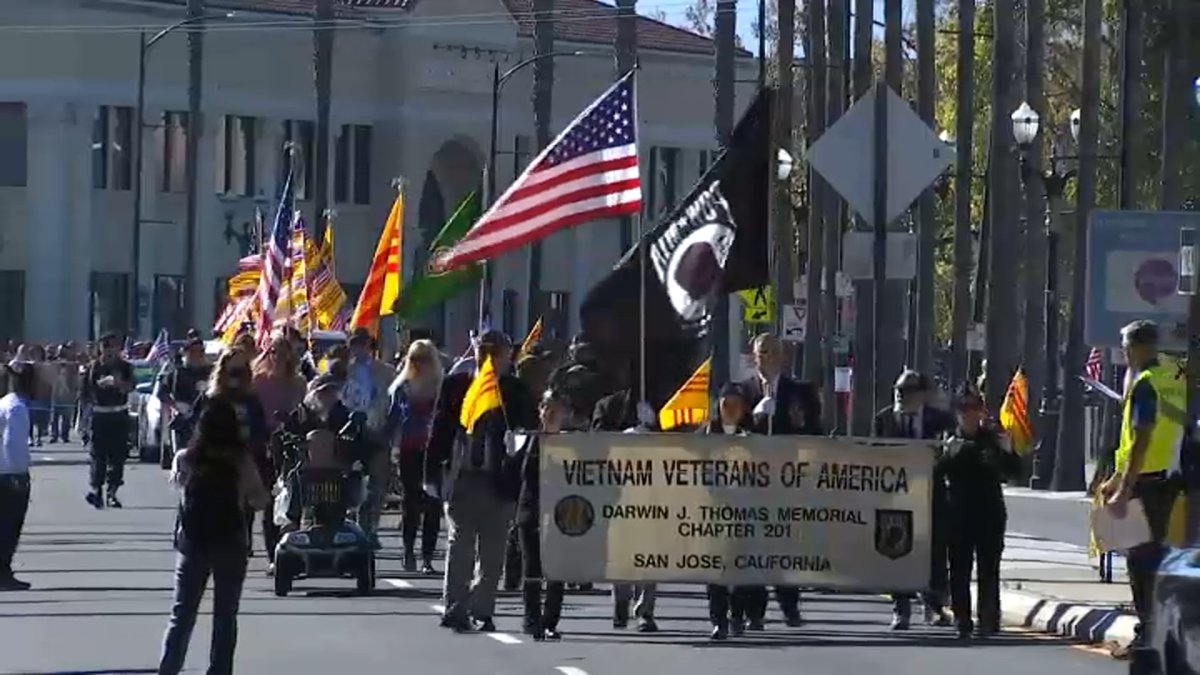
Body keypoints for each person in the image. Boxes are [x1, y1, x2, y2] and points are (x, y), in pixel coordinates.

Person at [425, 329, 536, 632]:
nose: (488, 357)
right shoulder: (457, 385)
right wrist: (431, 474)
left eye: (494, 351)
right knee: (459, 544)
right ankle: (455, 608)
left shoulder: (516, 391)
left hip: (500, 481)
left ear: (506, 355)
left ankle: (482, 608)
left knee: (493, 550)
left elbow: (530, 433)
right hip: (462, 477)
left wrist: (519, 446)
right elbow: (440, 430)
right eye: (483, 350)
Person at [157, 395, 269, 675]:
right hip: (232, 541)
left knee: (182, 614)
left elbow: (179, 489)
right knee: (225, 615)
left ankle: (169, 669)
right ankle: (219, 670)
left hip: (193, 542)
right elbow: (258, 500)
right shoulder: (241, 459)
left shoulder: (187, 458)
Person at [1099, 320, 1184, 647]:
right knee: (1157, 557)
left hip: (1147, 481)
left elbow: (1142, 438)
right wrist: (1117, 476)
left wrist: (1123, 489)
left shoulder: (1146, 383)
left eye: (1124, 346)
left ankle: (1151, 632)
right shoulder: (1173, 375)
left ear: (1136, 347)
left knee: (1141, 561)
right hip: (1171, 476)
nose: (1123, 353)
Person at [740, 333, 818, 628]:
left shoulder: (800, 392)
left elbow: (814, 431)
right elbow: (729, 429)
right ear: (754, 356)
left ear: (782, 356)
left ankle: (790, 605)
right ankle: (754, 611)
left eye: (773, 352)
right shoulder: (743, 391)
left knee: (785, 544)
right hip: (752, 482)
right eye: (762, 352)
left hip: (788, 481)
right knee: (753, 546)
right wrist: (755, 419)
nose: (767, 357)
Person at [874, 369, 956, 630]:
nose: (900, 394)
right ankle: (901, 609)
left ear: (922, 394)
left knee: (933, 552)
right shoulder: (884, 420)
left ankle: (934, 604)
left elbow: (950, 457)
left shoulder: (941, 421)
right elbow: (870, 455)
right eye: (898, 388)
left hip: (932, 496)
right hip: (897, 497)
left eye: (908, 389)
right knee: (895, 550)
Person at [941, 385, 1019, 640]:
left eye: (974, 408)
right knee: (959, 570)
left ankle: (988, 618)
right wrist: (945, 457)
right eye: (964, 409)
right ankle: (962, 619)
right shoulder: (947, 439)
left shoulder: (992, 439)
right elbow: (934, 476)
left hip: (989, 513)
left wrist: (1008, 451)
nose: (970, 414)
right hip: (958, 514)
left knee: (989, 569)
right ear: (956, 413)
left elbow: (1013, 473)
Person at [591, 359, 661, 632]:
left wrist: (655, 429)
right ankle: (621, 599)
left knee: (650, 553)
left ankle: (645, 610)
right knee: (620, 551)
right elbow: (595, 441)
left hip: (653, 491)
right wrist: (625, 436)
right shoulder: (608, 406)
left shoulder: (662, 407)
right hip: (617, 491)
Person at [383, 339, 443, 574]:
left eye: (425, 359)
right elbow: (393, 419)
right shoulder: (402, 387)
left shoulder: (440, 386)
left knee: (433, 504)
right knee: (411, 502)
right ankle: (408, 551)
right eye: (415, 358)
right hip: (409, 449)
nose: (420, 364)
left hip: (435, 450)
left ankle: (427, 556)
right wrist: (386, 446)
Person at [516, 389, 570, 641]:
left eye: (555, 408)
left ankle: (550, 620)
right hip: (531, 511)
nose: (549, 413)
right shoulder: (528, 440)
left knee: (557, 570)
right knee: (532, 568)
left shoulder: (572, 444)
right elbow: (518, 473)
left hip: (561, 515)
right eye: (545, 407)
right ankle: (531, 619)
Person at [703, 382, 754, 640]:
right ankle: (718, 620)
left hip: (744, 512)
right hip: (714, 512)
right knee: (716, 570)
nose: (731, 409)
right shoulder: (706, 436)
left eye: (736, 405)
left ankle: (738, 615)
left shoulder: (754, 436)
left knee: (742, 568)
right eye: (726, 404)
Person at [251, 336, 307, 572]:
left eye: (281, 353)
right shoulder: (258, 381)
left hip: (291, 445)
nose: (276, 357)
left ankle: (290, 549)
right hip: (264, 444)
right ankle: (273, 554)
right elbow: (252, 412)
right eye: (272, 352)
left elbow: (304, 412)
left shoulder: (299, 382)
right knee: (270, 499)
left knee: (292, 498)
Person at [341, 328, 395, 546]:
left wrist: (390, 430)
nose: (359, 348)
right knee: (347, 481)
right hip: (350, 433)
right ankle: (348, 524)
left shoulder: (386, 371)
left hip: (377, 431)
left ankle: (370, 527)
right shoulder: (343, 371)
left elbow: (393, 403)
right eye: (355, 344)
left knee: (377, 485)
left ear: (369, 346)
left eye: (363, 344)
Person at [80, 333, 134, 509]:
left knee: (118, 455)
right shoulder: (92, 368)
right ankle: (97, 491)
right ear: (100, 348)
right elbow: (83, 395)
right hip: (99, 415)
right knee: (98, 455)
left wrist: (119, 384)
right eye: (106, 347)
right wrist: (84, 421)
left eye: (113, 347)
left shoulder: (125, 367)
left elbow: (131, 387)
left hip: (118, 414)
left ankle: (113, 492)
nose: (110, 351)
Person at [0, 362, 34, 591]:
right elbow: (13, 444)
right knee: (9, 527)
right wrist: (19, 474)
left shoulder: (4, 403)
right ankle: (3, 571)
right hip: (10, 474)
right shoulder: (17, 408)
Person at [159, 339, 213, 469]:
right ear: (185, 353)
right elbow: (162, 393)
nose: (197, 355)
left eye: (201, 351)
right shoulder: (177, 373)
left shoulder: (212, 372)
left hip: (207, 419)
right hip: (183, 420)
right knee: (184, 456)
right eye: (193, 351)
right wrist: (176, 406)